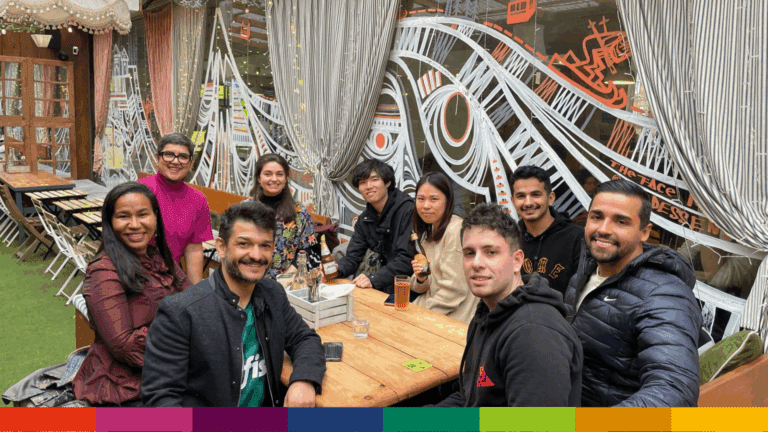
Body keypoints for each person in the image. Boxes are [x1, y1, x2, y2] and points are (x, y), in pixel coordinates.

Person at [141, 201, 325, 407]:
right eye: (244, 244)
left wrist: (304, 380)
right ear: (221, 247)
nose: (256, 255)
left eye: (265, 246)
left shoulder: (272, 294)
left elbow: (304, 338)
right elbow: (160, 400)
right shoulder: (181, 312)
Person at [564, 180, 701, 407]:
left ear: (644, 232)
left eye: (621, 221)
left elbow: (674, 391)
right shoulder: (586, 270)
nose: (603, 229)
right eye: (596, 217)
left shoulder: (665, 295)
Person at [436, 203, 582, 407]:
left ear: (517, 261)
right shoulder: (486, 313)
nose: (476, 263)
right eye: (469, 253)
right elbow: (468, 398)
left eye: (491, 252)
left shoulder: (533, 334)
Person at [72, 182, 191, 406]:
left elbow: (193, 302)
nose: (135, 225)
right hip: (124, 387)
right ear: (110, 222)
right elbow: (124, 346)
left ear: (155, 217)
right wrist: (181, 334)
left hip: (169, 373)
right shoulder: (104, 270)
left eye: (143, 214)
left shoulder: (159, 256)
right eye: (123, 216)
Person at [139, 132, 213, 284]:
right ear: (157, 158)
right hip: (135, 274)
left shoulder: (198, 200)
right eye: (169, 155)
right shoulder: (140, 191)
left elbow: (194, 250)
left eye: (183, 157)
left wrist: (194, 291)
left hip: (169, 277)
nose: (175, 161)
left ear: (191, 163)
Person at [336, 160, 415, 293]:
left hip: (406, 288)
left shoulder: (407, 210)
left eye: (374, 180)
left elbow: (406, 259)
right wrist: (336, 269)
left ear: (387, 182)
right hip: (381, 285)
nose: (368, 186)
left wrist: (373, 279)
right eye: (362, 182)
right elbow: (353, 257)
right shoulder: (365, 218)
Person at [409, 172, 479, 324]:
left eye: (434, 199)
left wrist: (418, 316)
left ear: (448, 201)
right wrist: (421, 278)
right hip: (430, 310)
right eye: (421, 199)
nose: (426, 205)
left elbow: (454, 291)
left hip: (452, 319)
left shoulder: (455, 230)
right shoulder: (428, 231)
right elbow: (422, 286)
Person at [509, 165, 583, 296]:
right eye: (521, 196)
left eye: (535, 195)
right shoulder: (509, 238)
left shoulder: (577, 237)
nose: (528, 203)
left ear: (551, 198)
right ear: (513, 201)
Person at [251, 153, 317, 278]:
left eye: (279, 174)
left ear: (285, 178)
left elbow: (309, 249)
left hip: (286, 280)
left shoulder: (299, 212)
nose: (274, 179)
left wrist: (287, 277)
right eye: (268, 174)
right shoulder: (245, 210)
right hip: (249, 278)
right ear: (259, 178)